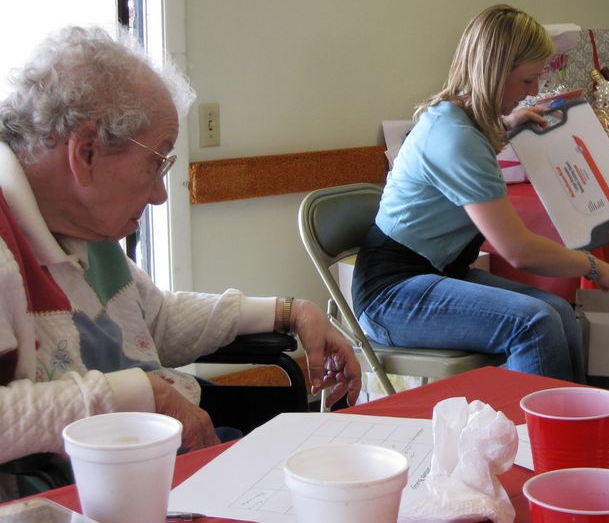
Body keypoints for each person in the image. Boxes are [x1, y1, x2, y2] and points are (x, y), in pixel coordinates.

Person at [0, 27, 361, 487]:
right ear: (85, 152)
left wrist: (290, 311)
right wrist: (134, 393)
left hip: (154, 458)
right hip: (79, 488)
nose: (160, 196)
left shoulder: (80, 226)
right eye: (156, 162)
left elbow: (155, 320)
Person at [352, 4, 609, 383]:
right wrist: (593, 266)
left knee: (559, 313)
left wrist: (506, 123)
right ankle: (536, 437)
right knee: (534, 324)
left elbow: (475, 134)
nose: (534, 91)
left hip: (427, 273)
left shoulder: (455, 118)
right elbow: (520, 250)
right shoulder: (457, 139)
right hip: (391, 296)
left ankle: (569, 428)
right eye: (527, 80)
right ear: (494, 73)